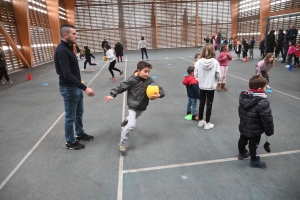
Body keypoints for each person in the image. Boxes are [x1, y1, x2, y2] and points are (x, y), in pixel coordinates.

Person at [104, 61, 165, 154]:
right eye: (145, 71)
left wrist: (159, 95)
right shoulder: (132, 80)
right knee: (132, 125)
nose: (147, 74)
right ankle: (122, 143)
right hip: (133, 105)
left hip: (142, 107)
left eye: (148, 72)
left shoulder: (149, 81)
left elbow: (160, 89)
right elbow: (121, 87)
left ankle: (126, 120)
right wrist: (112, 95)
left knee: (132, 119)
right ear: (138, 70)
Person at [54, 24, 95, 150]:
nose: (76, 36)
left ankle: (80, 133)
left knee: (79, 112)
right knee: (70, 117)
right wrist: (84, 87)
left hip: (75, 87)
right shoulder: (61, 51)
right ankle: (70, 142)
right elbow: (66, 74)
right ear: (65, 35)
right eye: (74, 34)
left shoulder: (68, 48)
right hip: (69, 88)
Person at [238, 75, 274, 168]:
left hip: (244, 125)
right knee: (254, 144)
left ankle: (242, 153)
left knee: (243, 139)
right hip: (255, 129)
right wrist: (269, 131)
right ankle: (254, 160)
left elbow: (240, 110)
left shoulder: (243, 97)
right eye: (265, 86)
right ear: (259, 89)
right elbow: (267, 118)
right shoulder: (263, 102)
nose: (266, 88)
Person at [194, 43, 221, 130]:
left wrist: (200, 80)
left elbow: (196, 74)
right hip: (211, 86)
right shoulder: (215, 62)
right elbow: (218, 74)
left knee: (202, 102)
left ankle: (201, 121)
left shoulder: (198, 62)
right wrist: (215, 80)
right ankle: (207, 122)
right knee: (209, 104)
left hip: (202, 86)